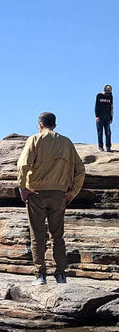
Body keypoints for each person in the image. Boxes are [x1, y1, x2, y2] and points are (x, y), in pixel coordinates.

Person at [17, 112, 85, 286]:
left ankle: (40, 275)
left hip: (37, 194)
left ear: (40, 124)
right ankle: (61, 275)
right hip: (59, 195)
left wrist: (23, 188)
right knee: (58, 236)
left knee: (37, 236)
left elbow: (23, 164)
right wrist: (73, 192)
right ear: (54, 125)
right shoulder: (66, 142)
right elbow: (80, 170)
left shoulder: (34, 140)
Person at [95, 85, 113, 152]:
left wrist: (111, 117)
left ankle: (108, 147)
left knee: (108, 132)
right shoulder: (99, 96)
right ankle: (100, 147)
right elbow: (96, 106)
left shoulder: (110, 96)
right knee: (100, 132)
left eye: (110, 89)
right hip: (100, 117)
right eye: (108, 89)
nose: (109, 90)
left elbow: (111, 107)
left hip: (107, 117)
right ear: (105, 89)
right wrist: (97, 116)